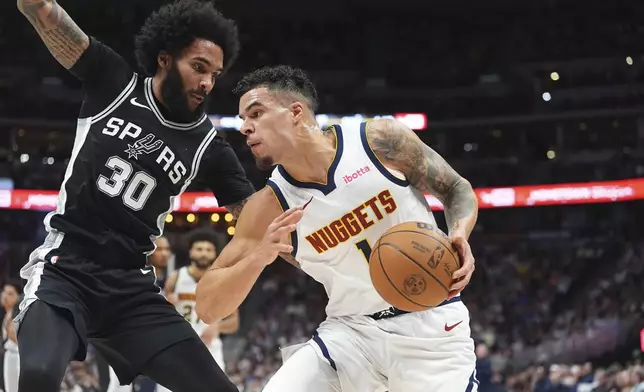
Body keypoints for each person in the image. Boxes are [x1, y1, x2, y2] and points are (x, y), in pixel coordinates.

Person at [14, 1, 255, 391]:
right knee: (39, 375)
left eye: (214, 74)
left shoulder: (210, 147)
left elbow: (253, 218)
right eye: (198, 67)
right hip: (64, 269)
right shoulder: (114, 81)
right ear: (164, 58)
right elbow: (45, 14)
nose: (208, 83)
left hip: (131, 288)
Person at [197, 65, 480, 392]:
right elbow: (207, 306)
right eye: (244, 119)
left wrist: (458, 235)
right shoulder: (268, 208)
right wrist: (258, 257)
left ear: (295, 112)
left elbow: (456, 189)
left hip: (431, 326)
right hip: (350, 335)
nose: (245, 127)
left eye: (256, 113)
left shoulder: (379, 141)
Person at [163, 229, 239, 374]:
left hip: (210, 348)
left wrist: (217, 327)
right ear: (191, 252)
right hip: (179, 345)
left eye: (208, 249)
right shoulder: (175, 278)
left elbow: (233, 323)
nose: (204, 253)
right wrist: (168, 305)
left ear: (215, 254)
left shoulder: (222, 282)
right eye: (199, 249)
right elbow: (161, 315)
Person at [2, 280, 22, 392]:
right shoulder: (5, 314)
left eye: (10, 293)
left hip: (16, 358)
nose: (5, 296)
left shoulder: (18, 316)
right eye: (4, 291)